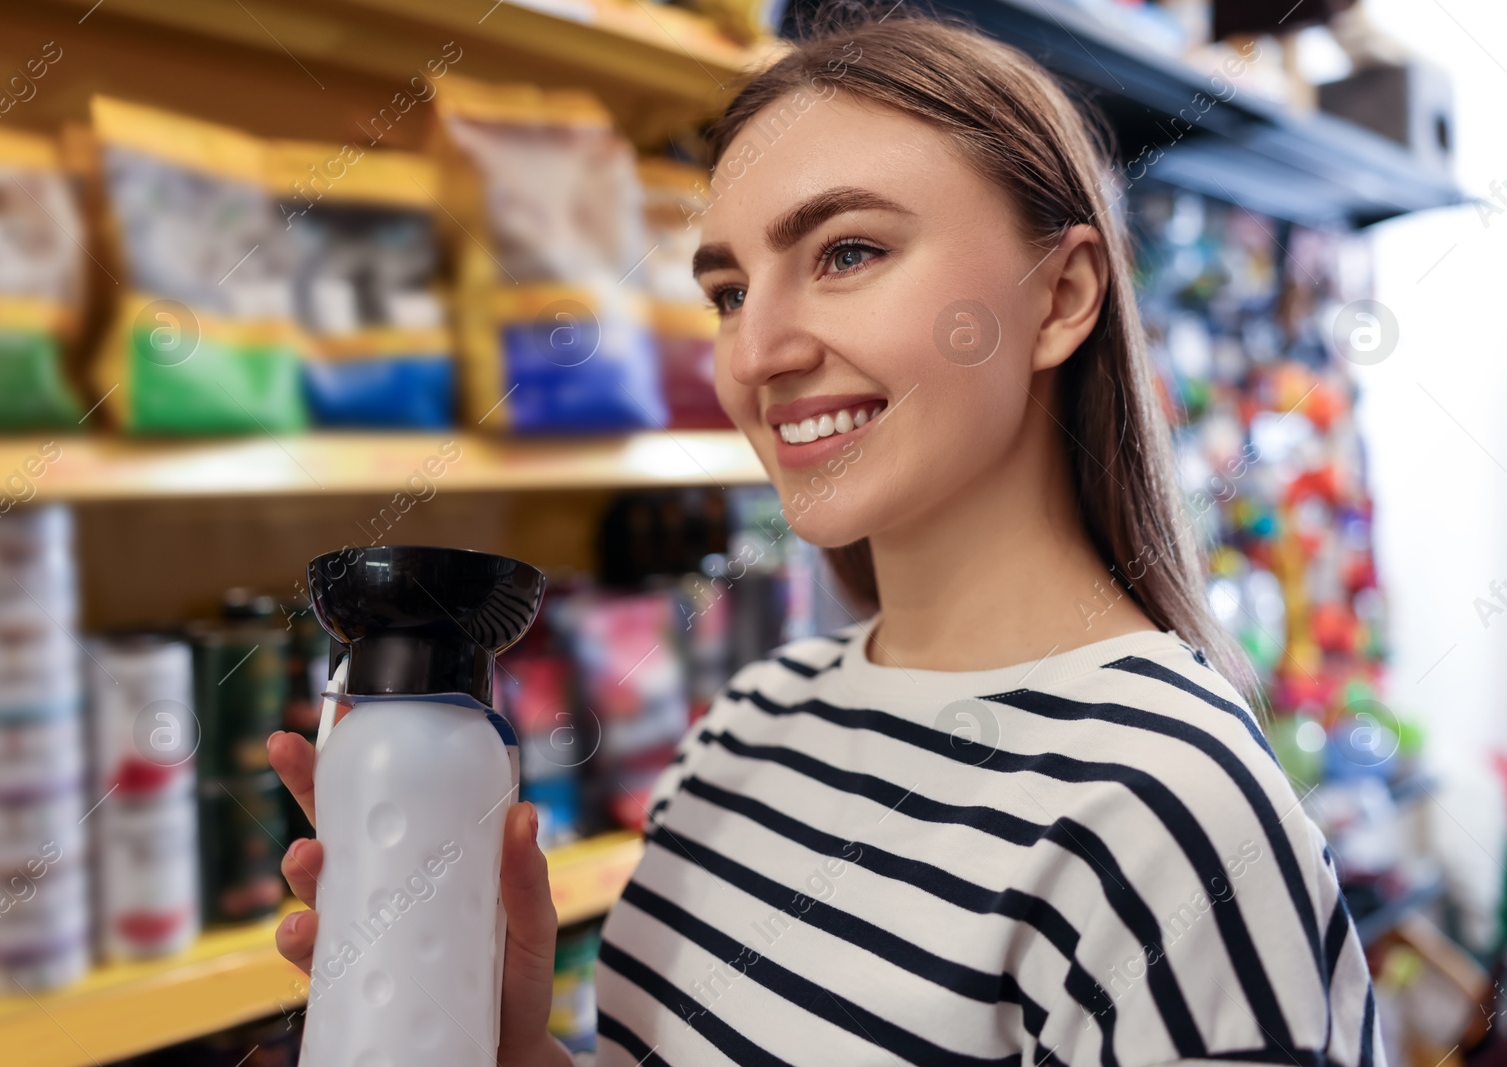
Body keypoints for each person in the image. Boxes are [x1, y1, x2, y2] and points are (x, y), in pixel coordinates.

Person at [267, 4, 1385, 1064]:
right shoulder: (747, 721)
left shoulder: (1172, 812)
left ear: (1061, 296)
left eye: (847, 253)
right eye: (726, 291)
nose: (755, 354)